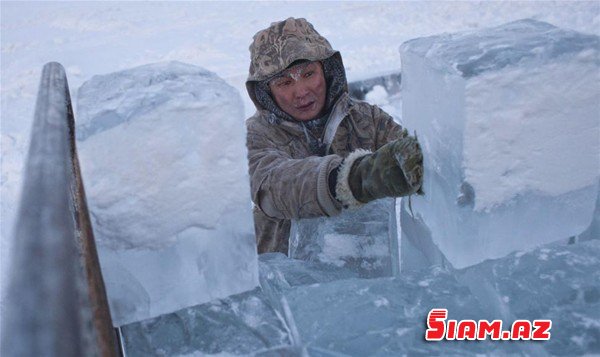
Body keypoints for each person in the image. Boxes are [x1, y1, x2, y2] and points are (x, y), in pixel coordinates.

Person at [246, 17, 423, 254]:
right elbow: (273, 188)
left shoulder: (367, 119)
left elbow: (417, 156)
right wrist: (352, 178)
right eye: (284, 82)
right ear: (267, 92)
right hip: (284, 281)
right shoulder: (254, 136)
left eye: (309, 74)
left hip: (366, 275)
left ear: (327, 72)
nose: (301, 92)